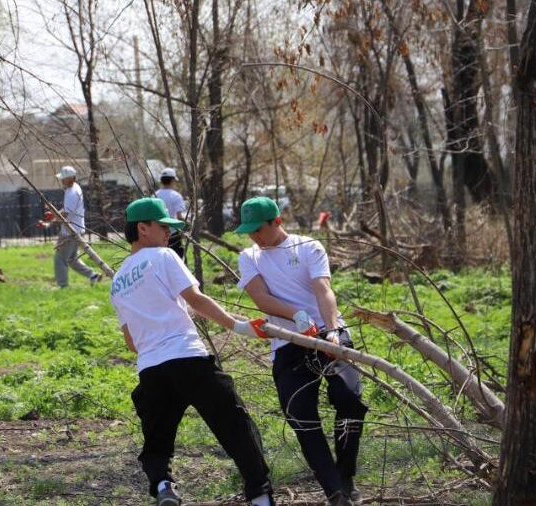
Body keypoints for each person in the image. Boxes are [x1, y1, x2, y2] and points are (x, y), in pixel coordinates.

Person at [110, 197, 277, 506]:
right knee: (235, 425)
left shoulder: (117, 281)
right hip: (188, 358)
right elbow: (196, 299)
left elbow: (131, 342)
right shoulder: (163, 256)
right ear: (143, 229)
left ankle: (163, 486)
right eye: (163, 227)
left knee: (157, 440)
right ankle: (260, 496)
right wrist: (236, 325)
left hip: (151, 369)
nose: (167, 234)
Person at [234, 197, 368, 506]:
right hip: (287, 342)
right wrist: (295, 314)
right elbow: (260, 298)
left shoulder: (308, 247)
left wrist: (332, 331)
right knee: (300, 413)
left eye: (258, 229)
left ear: (276, 222)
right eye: (248, 231)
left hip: (325, 333)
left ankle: (345, 475)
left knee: (349, 399)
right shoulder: (249, 256)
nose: (254, 236)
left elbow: (323, 289)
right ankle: (334, 490)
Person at [52, 165, 101, 288]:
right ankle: (92, 275)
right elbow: (66, 209)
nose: (61, 181)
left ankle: (63, 286)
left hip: (70, 231)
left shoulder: (73, 192)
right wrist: (54, 215)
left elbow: (66, 213)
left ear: (71, 179)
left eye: (63, 179)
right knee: (71, 259)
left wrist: (51, 220)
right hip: (75, 229)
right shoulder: (72, 189)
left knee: (60, 259)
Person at [154, 167, 187, 260]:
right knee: (178, 260)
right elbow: (179, 217)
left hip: (157, 234)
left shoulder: (155, 195)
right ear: (172, 180)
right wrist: (184, 230)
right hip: (173, 235)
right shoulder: (176, 196)